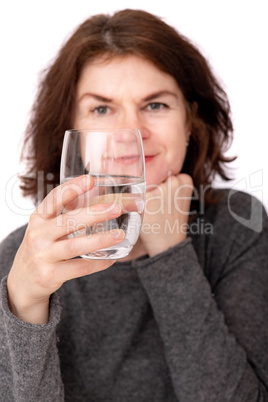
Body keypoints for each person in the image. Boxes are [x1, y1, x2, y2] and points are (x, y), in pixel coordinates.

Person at [0, 8, 267, 402]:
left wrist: (169, 251)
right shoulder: (25, 258)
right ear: (69, 129)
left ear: (190, 122)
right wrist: (24, 304)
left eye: (155, 105)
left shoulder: (237, 229)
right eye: (102, 109)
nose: (131, 134)